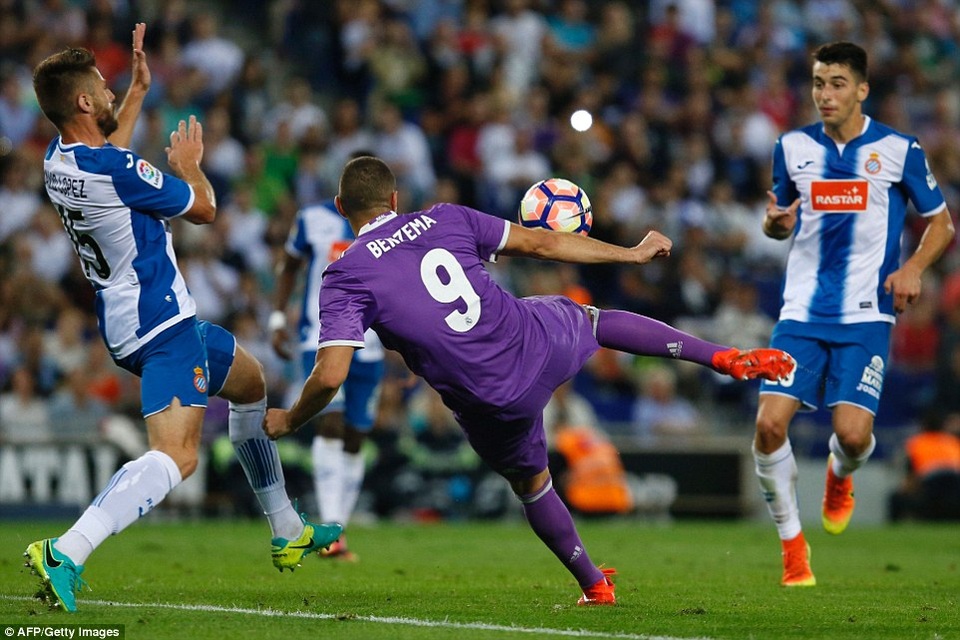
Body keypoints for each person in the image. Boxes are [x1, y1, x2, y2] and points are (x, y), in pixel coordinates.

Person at [264, 155, 795, 606]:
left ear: (341, 209)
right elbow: (543, 246)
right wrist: (629, 252)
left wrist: (290, 417)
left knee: (532, 484)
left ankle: (593, 585)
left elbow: (331, 374)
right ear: (396, 198)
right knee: (597, 321)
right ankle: (722, 356)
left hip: (489, 403)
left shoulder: (346, 272)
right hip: (535, 341)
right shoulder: (445, 217)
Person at [25, 24, 341, 613]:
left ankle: (286, 528)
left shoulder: (57, 158)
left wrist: (141, 91)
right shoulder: (115, 169)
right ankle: (66, 550)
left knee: (250, 385)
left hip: (134, 314)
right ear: (86, 102)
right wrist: (190, 165)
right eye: (105, 85)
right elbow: (204, 210)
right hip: (158, 322)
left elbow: (106, 143)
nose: (113, 88)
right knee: (179, 456)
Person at [752, 41, 955, 587]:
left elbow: (942, 224)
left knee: (855, 434)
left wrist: (913, 267)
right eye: (819, 83)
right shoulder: (791, 146)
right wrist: (774, 225)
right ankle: (794, 547)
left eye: (837, 83)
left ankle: (841, 475)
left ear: (862, 89)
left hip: (867, 315)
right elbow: (779, 218)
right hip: (800, 314)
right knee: (770, 425)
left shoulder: (898, 149)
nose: (825, 94)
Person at [271, 165, 386, 561]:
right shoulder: (312, 218)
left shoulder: (392, 228)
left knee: (355, 436)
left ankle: (339, 529)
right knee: (331, 422)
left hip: (372, 339)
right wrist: (276, 315)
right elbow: (288, 266)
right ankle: (332, 532)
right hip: (318, 334)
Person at [888, 410, 960, 522]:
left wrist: (904, 491)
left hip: (930, 487)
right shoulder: (952, 442)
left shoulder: (917, 443)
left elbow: (911, 475)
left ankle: (895, 527)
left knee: (895, 498)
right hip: (955, 487)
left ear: (923, 426)